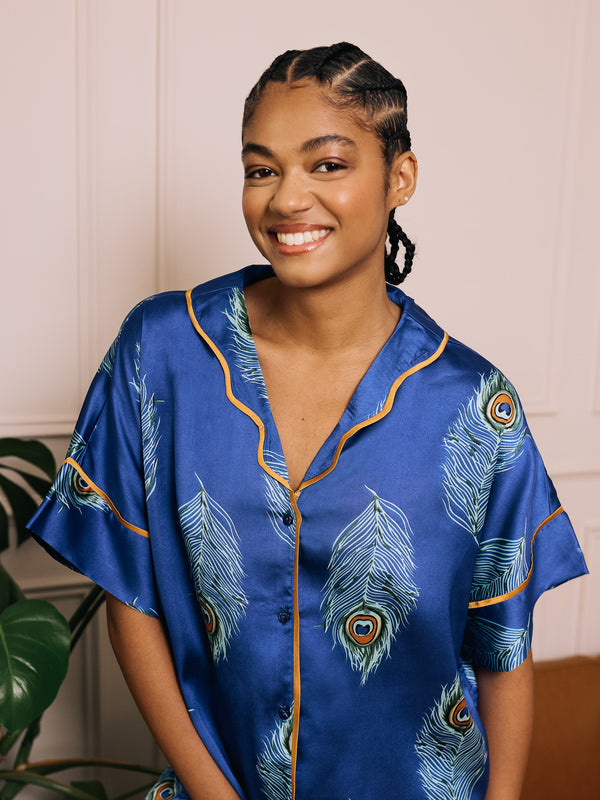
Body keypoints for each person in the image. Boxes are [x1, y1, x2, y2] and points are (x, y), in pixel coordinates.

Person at [28, 43, 587, 800]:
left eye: (327, 165)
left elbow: (502, 646)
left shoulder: (477, 406)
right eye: (262, 169)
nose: (287, 198)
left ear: (400, 177)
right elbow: (135, 599)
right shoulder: (159, 354)